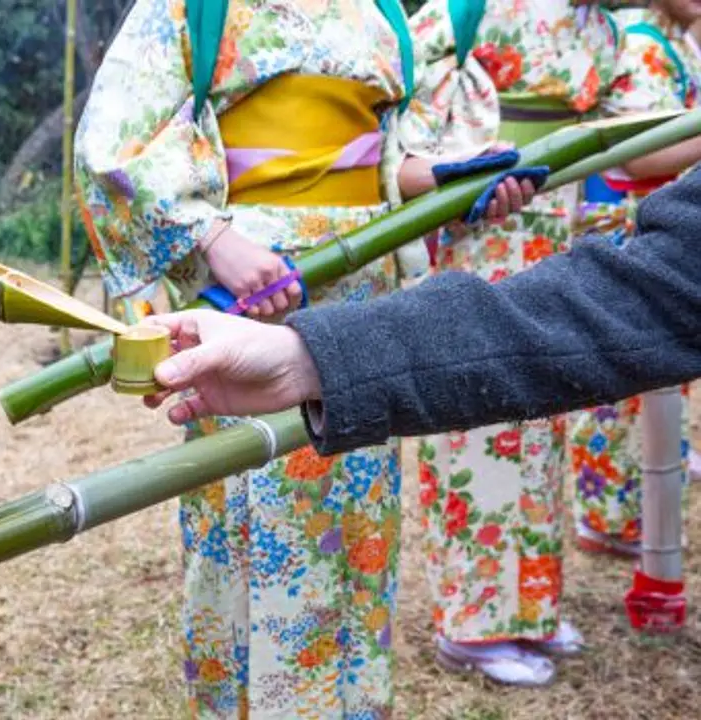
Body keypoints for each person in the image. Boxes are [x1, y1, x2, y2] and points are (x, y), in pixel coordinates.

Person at [74, 0, 532, 714]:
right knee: (257, 505)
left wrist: (447, 182)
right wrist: (214, 242)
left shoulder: (381, 11)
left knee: (358, 507)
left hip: (364, 284)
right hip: (252, 286)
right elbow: (113, 144)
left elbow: (378, 159)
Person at [141, 161, 701, 466]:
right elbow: (127, 146)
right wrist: (212, 236)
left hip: (365, 258)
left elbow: (391, 148)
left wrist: (432, 174)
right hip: (266, 271)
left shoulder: (382, 13)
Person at [392, 0, 629, 687]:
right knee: (480, 415)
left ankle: (531, 604)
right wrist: (452, 167)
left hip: (561, 230)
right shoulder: (472, 8)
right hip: (482, 230)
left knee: (545, 416)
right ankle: (472, 621)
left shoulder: (602, 26)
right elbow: (396, 103)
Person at [569, 0, 701, 558]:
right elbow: (644, 156)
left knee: (649, 384)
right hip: (627, 219)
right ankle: (608, 516)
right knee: (621, 381)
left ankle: (634, 514)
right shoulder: (645, 44)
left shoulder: (669, 42)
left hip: (649, 219)